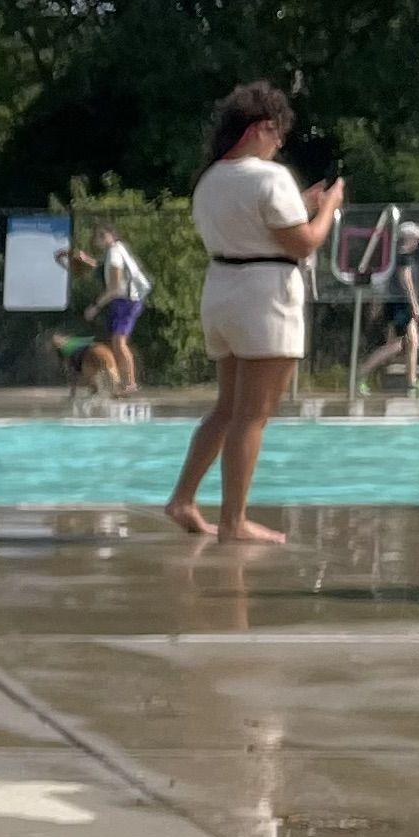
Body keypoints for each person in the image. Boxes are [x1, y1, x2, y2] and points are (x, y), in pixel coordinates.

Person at [165, 84, 340, 545]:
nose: (280, 143)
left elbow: (254, 225)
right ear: (262, 127)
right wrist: (329, 209)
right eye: (278, 133)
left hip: (221, 290)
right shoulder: (269, 177)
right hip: (263, 296)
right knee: (252, 415)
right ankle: (234, 520)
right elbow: (302, 243)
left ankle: (183, 498)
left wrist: (301, 207)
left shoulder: (209, 179)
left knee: (226, 408)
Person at [66, 223, 152, 395]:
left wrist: (95, 307)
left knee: (119, 343)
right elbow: (103, 267)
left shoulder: (114, 253)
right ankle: (124, 382)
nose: (99, 239)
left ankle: (129, 384)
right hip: (125, 301)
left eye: (103, 235)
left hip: (127, 301)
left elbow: (115, 288)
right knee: (117, 342)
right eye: (98, 236)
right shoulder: (115, 251)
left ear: (113, 236)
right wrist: (86, 260)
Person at [357, 219, 419, 396]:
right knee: (397, 345)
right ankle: (360, 373)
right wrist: (414, 303)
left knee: (413, 341)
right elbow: (406, 281)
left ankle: (411, 382)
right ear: (408, 238)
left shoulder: (398, 256)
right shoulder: (403, 257)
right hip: (400, 305)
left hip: (398, 303)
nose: (417, 242)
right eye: (415, 238)